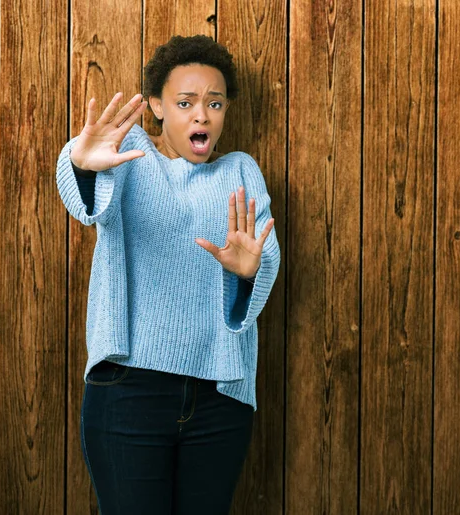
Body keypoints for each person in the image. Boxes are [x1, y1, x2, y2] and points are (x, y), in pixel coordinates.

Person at [55, 35, 280, 514]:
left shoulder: (240, 171)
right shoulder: (131, 153)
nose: (202, 115)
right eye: (185, 102)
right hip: (127, 391)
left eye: (214, 103)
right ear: (157, 105)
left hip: (220, 396)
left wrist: (248, 272)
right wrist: (81, 164)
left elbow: (267, 253)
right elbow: (86, 202)